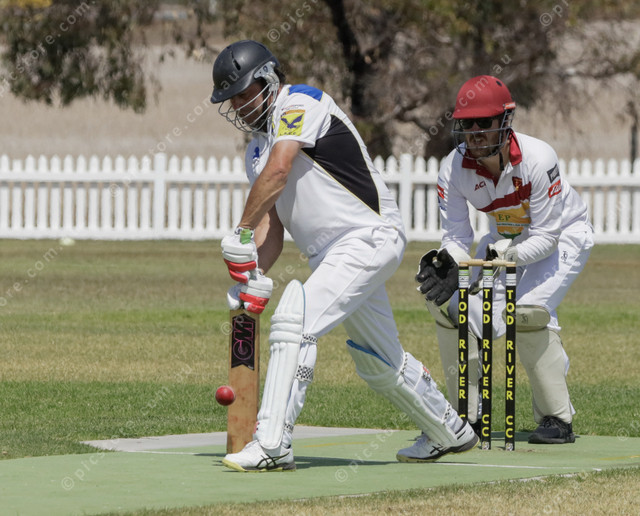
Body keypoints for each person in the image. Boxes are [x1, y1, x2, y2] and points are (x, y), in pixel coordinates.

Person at [210, 39, 478, 472]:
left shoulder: (301, 102)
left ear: (268, 80)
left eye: (244, 94)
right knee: (378, 361)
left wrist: (239, 231)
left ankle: (273, 443)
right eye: (232, 100)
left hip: (368, 235)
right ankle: (449, 430)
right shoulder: (255, 150)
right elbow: (272, 228)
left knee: (294, 321)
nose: (240, 106)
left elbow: (280, 170)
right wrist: (251, 274)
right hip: (331, 256)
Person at [416, 75, 593, 444]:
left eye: (484, 122)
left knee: (526, 313)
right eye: (467, 124)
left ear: (505, 120)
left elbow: (547, 237)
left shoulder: (538, 158)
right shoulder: (452, 167)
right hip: (503, 241)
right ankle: (469, 416)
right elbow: (457, 237)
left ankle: (557, 419)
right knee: (455, 310)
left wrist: (507, 254)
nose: (475, 133)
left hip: (563, 236)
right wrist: (449, 263)